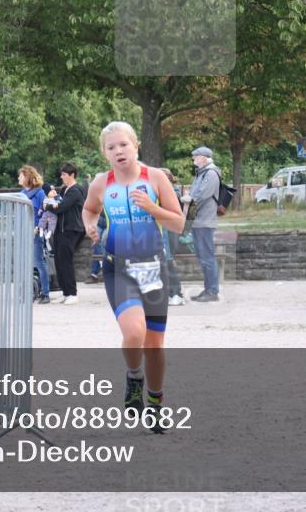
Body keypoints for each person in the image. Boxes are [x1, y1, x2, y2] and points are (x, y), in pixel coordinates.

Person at [82, 122, 184, 430]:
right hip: (119, 268)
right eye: (111, 147)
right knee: (134, 333)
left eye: (123, 145)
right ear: (105, 153)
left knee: (154, 344)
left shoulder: (155, 178)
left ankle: (154, 401)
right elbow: (89, 209)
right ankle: (134, 378)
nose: (118, 151)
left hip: (153, 268)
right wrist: (90, 224)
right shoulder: (101, 183)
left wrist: (153, 208)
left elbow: (178, 224)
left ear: (135, 145)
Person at [45, 163, 86, 305]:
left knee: (66, 261)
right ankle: (65, 292)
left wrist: (48, 206)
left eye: (64, 174)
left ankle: (72, 293)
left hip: (71, 229)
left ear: (72, 175)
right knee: (59, 260)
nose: (61, 177)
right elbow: (57, 202)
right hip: (60, 229)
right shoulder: (64, 189)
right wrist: (53, 204)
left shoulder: (76, 190)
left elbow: (61, 207)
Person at [185, 146, 221, 303]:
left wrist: (189, 200)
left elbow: (203, 195)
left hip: (204, 221)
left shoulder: (210, 173)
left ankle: (212, 291)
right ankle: (208, 289)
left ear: (204, 158)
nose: (194, 159)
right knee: (203, 257)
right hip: (199, 221)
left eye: (196, 157)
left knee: (207, 257)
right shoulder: (202, 173)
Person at [19, 166, 51, 304]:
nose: (18, 178)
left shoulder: (39, 193)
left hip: (36, 231)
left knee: (38, 262)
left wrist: (39, 227)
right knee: (24, 263)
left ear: (27, 177)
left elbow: (46, 212)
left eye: (21, 175)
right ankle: (28, 291)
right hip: (24, 231)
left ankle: (45, 293)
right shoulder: (21, 193)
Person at [159, 168, 186, 306]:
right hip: (164, 230)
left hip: (169, 231)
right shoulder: (164, 192)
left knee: (168, 262)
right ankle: (170, 293)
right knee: (164, 263)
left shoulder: (171, 193)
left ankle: (177, 294)